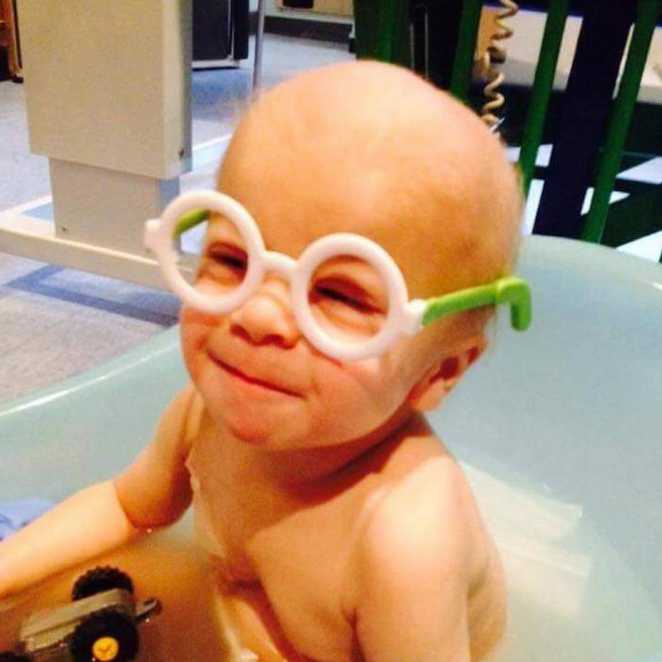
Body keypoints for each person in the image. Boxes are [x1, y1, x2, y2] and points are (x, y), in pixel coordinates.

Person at [0, 60, 528, 661]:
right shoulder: (205, 417)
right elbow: (126, 506)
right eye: (232, 257)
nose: (257, 314)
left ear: (439, 373)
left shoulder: (403, 540)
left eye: (337, 294)